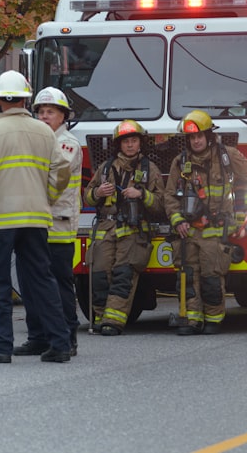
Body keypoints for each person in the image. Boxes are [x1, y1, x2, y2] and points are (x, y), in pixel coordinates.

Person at [0, 70, 72, 364]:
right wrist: (48, 197)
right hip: (36, 218)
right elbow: (62, 170)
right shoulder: (43, 130)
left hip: (1, 219)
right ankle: (59, 344)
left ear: (0, 99)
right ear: (26, 99)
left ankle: (1, 346)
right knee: (42, 279)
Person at [164, 110, 247, 335]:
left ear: (209, 136)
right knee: (188, 277)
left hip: (214, 231)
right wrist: (177, 220)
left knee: (211, 277)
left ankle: (214, 320)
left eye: (199, 136)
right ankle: (192, 319)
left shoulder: (228, 156)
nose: (195, 141)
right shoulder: (180, 163)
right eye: (191, 137)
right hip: (187, 233)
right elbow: (169, 195)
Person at [12, 88, 82, 357]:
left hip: (58, 225)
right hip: (34, 221)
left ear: (63, 116)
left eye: (50, 112)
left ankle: (67, 336)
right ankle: (38, 336)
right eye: (40, 111)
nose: (44, 116)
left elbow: (43, 174)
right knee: (30, 284)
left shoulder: (67, 144)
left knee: (59, 284)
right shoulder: (37, 141)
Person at [82, 119, 164, 336]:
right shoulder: (105, 168)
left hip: (134, 231)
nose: (130, 145)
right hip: (105, 229)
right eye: (126, 141)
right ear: (119, 144)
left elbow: (161, 204)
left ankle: (113, 321)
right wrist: (98, 193)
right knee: (98, 274)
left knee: (123, 275)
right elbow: (87, 197)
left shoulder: (150, 169)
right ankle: (101, 317)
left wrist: (142, 195)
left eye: (134, 140)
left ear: (140, 143)